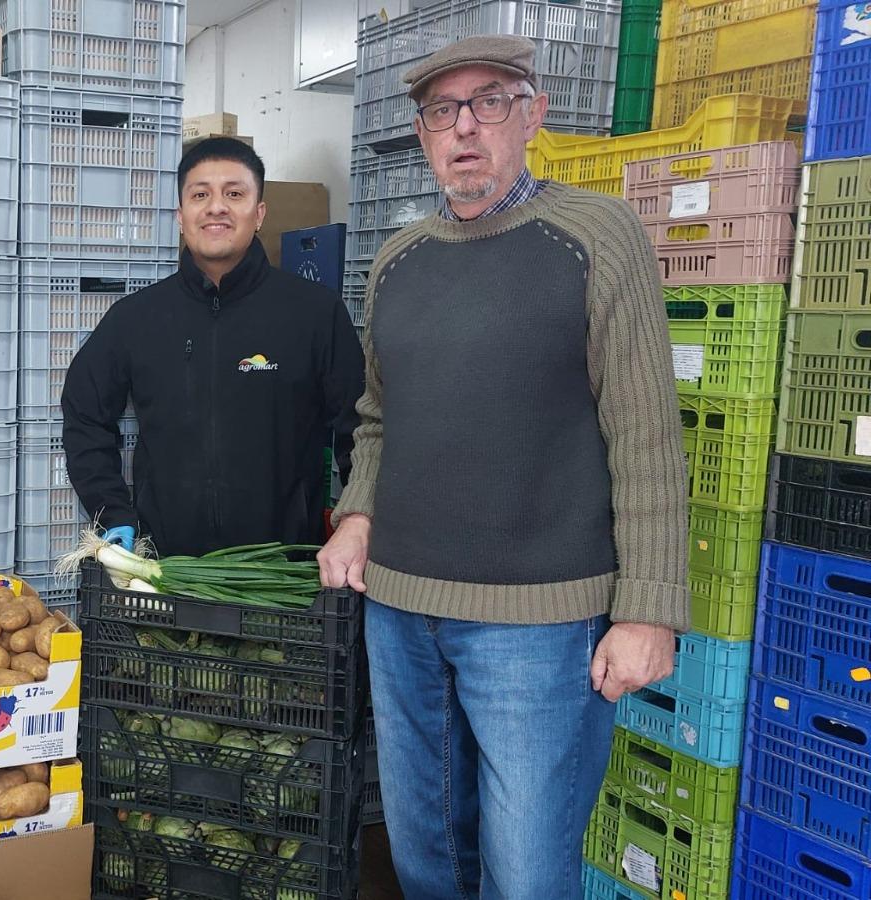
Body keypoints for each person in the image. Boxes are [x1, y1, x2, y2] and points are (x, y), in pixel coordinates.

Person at [317, 35, 688, 898]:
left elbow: (645, 433)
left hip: (538, 626)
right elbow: (379, 417)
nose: (465, 127)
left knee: (525, 874)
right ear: (422, 133)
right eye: (442, 111)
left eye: (489, 102)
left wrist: (649, 609)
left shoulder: (596, 236)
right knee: (425, 858)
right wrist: (360, 512)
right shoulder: (397, 261)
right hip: (401, 610)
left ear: (533, 115)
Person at [61, 137, 365, 557]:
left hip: (283, 568)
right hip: (167, 568)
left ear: (259, 214)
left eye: (234, 194)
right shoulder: (136, 318)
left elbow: (361, 427)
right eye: (200, 195)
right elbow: (84, 413)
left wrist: (358, 518)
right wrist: (111, 510)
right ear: (180, 216)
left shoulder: (314, 313)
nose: (216, 207)